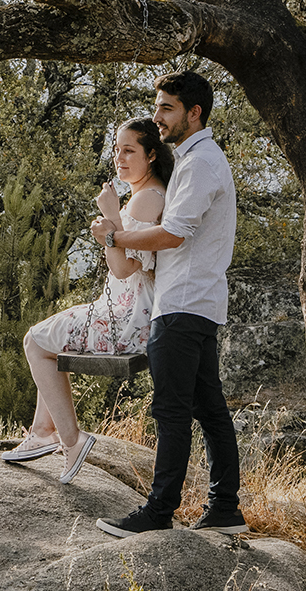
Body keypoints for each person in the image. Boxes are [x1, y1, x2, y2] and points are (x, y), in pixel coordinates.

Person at [91, 70, 247, 536]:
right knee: (208, 407)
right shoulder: (198, 159)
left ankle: (159, 512)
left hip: (181, 304)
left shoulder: (200, 165)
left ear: (193, 112)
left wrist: (116, 233)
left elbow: (174, 234)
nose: (156, 116)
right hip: (196, 301)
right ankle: (224, 509)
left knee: (172, 410)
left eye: (166, 108)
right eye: (157, 106)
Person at [1, 117, 172, 485]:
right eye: (116, 150)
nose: (119, 158)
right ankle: (41, 430)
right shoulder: (150, 193)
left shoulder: (146, 199)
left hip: (126, 320)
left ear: (152, 155)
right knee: (49, 337)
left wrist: (111, 220)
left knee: (35, 341)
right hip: (129, 312)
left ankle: (71, 440)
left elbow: (124, 268)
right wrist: (113, 227)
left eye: (129, 150)